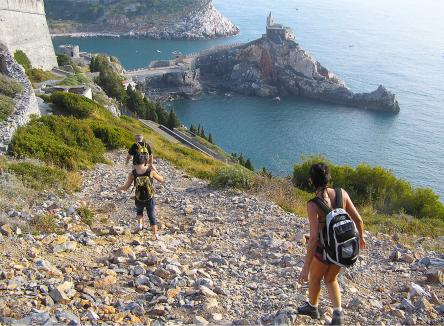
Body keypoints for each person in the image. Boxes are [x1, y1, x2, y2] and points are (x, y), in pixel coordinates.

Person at [297, 163, 366, 325]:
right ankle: (338, 315)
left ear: (311, 180)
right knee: (330, 279)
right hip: (341, 248)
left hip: (323, 249)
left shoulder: (313, 204)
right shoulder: (342, 194)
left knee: (314, 278)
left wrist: (305, 268)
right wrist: (361, 237)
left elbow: (314, 238)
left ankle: (312, 308)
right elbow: (359, 220)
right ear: (329, 178)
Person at [117, 153, 164, 239]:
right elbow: (161, 180)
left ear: (134, 162)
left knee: (139, 211)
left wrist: (119, 188)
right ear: (145, 161)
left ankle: (140, 225)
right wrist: (155, 170)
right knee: (151, 215)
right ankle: (156, 234)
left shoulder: (132, 173)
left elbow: (126, 187)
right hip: (149, 197)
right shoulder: (151, 171)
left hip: (138, 197)